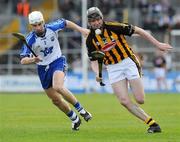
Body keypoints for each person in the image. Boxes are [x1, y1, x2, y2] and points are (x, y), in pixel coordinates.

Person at [85, 7, 173, 133]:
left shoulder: (114, 26)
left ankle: (132, 81)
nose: (96, 22)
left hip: (128, 61)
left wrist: (158, 44)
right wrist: (97, 73)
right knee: (124, 101)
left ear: (101, 18)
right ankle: (153, 124)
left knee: (140, 99)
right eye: (92, 21)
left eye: (97, 19)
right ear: (89, 22)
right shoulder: (90, 40)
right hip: (112, 68)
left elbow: (140, 31)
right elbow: (93, 60)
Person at [20, 11, 92, 131]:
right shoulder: (30, 39)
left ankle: (82, 110)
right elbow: (23, 60)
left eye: (39, 24)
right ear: (31, 26)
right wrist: (33, 60)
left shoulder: (52, 27)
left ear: (43, 21)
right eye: (34, 25)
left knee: (58, 86)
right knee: (55, 100)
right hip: (43, 68)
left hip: (57, 61)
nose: (38, 27)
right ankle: (74, 119)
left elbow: (66, 22)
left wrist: (81, 30)